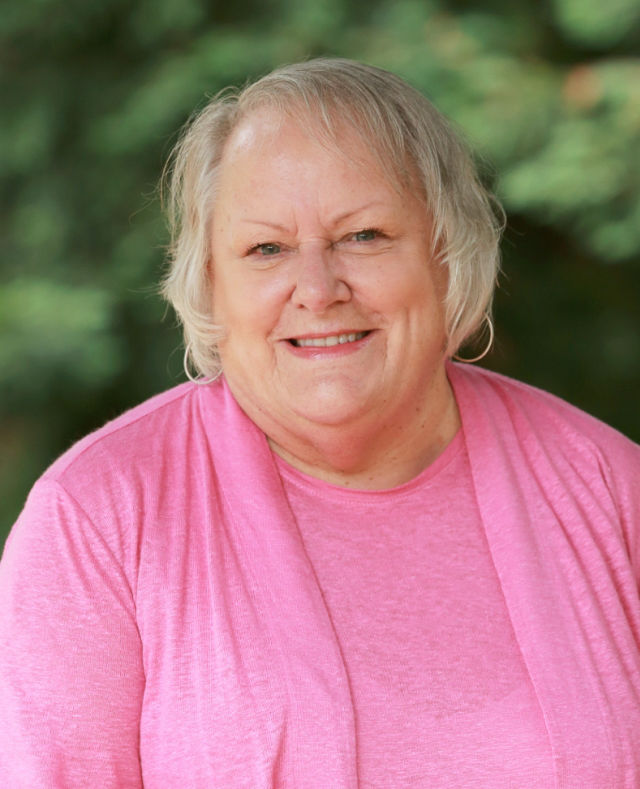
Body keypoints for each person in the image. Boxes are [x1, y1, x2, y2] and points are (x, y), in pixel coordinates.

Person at [1, 57, 640, 789]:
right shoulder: (97, 519)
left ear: (449, 253)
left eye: (363, 236)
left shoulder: (610, 488)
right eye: (266, 249)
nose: (317, 288)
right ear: (210, 283)